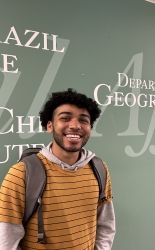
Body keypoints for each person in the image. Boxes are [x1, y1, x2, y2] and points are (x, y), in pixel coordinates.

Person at [0, 88, 116, 250]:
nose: (75, 126)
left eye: (83, 120)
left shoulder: (99, 169)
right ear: (49, 126)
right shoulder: (21, 174)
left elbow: (105, 225)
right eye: (65, 118)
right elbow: (7, 241)